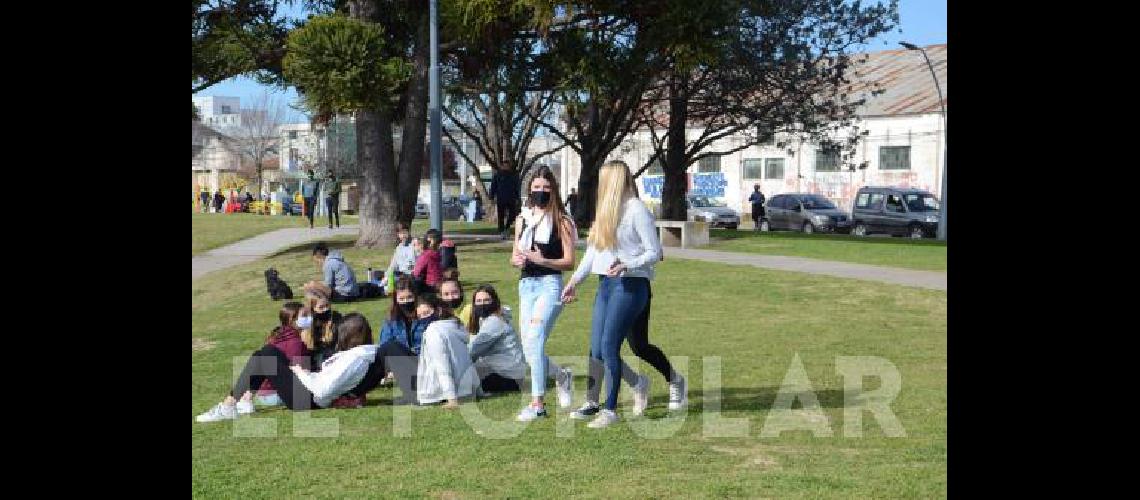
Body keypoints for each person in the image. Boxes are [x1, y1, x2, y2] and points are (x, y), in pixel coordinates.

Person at [560, 160, 661, 429]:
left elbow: (655, 252)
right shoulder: (606, 211)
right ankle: (594, 401)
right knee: (595, 348)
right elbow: (593, 253)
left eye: (603, 180)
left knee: (609, 347)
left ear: (613, 181)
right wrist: (574, 282)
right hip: (605, 284)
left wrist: (629, 263)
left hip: (629, 285)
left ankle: (610, 409)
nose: (598, 185)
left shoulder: (637, 210)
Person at [195, 313, 382, 422]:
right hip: (309, 392)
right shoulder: (359, 355)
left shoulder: (357, 356)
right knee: (262, 355)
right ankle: (240, 402)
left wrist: (301, 373)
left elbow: (324, 390)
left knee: (267, 353)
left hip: (309, 400)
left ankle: (230, 405)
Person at [510, 165, 576, 421]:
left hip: (550, 284)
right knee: (528, 346)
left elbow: (569, 261)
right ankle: (561, 375)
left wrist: (543, 260)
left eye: (546, 188)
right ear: (529, 189)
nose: (540, 192)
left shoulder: (562, 220)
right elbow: (515, 255)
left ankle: (537, 405)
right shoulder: (522, 218)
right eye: (536, 188)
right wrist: (517, 260)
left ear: (554, 191)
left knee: (535, 339)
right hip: (526, 285)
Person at [416, 281, 479, 407]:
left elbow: (442, 365)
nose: (423, 318)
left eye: (427, 313)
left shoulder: (434, 331)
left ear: (438, 311)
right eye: (420, 315)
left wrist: (451, 399)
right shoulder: (455, 325)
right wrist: (478, 390)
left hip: (442, 393)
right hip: (468, 389)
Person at [467, 285, 527, 393]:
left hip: (508, 377)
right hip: (509, 371)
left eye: (486, 300)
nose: (482, 304)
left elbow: (472, 352)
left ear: (494, 301)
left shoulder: (493, 322)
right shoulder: (488, 319)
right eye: (479, 301)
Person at [253, 302, 312, 407]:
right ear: (291, 320)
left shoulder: (281, 335)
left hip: (264, 393)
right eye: (304, 315)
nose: (309, 318)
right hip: (274, 395)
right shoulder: (295, 342)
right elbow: (298, 371)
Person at [377, 276, 431, 356]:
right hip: (400, 363)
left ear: (416, 297)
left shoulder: (425, 317)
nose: (406, 302)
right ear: (396, 300)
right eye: (401, 299)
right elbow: (384, 346)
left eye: (409, 297)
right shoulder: (390, 321)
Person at [382, 223, 417, 293]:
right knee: (378, 274)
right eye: (401, 233)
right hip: (400, 275)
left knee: (396, 279)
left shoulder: (414, 245)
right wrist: (386, 276)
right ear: (398, 234)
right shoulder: (399, 248)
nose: (403, 236)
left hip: (411, 275)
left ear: (409, 232)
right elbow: (393, 265)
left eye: (405, 233)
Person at [490, 168, 521, 239]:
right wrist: (492, 196)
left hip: (511, 198)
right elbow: (493, 186)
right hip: (501, 198)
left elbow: (517, 187)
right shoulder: (498, 175)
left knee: (512, 214)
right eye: (504, 164)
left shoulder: (513, 176)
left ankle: (507, 227)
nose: (506, 166)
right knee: (501, 215)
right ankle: (502, 231)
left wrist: (517, 197)